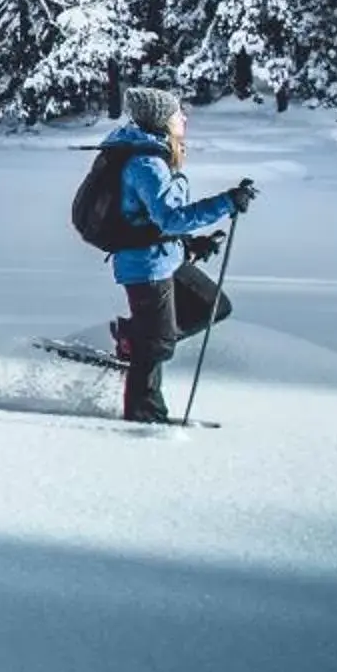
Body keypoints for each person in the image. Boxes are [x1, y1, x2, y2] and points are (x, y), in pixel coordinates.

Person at [97, 86, 256, 422]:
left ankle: (137, 337)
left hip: (164, 255)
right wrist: (226, 202)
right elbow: (170, 217)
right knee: (156, 346)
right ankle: (145, 416)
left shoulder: (153, 155)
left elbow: (154, 221)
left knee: (212, 306)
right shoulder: (146, 163)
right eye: (177, 113)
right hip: (145, 266)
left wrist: (190, 245)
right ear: (161, 121)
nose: (183, 117)